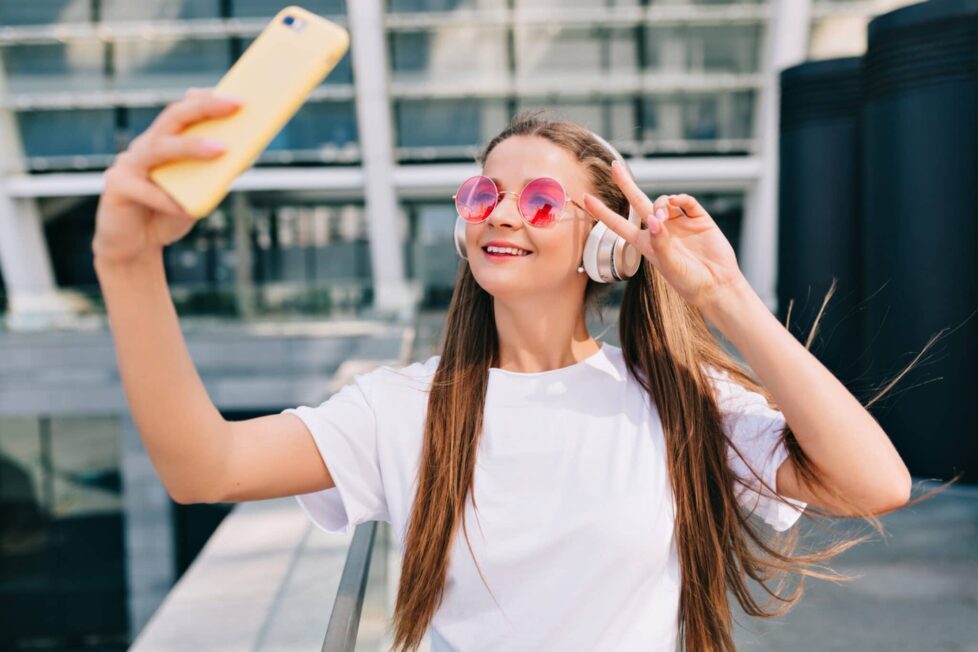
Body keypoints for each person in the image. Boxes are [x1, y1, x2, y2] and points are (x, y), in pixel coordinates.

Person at [92, 89, 945, 652]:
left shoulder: (680, 402)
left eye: (540, 202)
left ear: (602, 245)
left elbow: (876, 482)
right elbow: (203, 468)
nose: (500, 213)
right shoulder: (406, 408)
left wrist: (720, 292)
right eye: (482, 194)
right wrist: (127, 265)